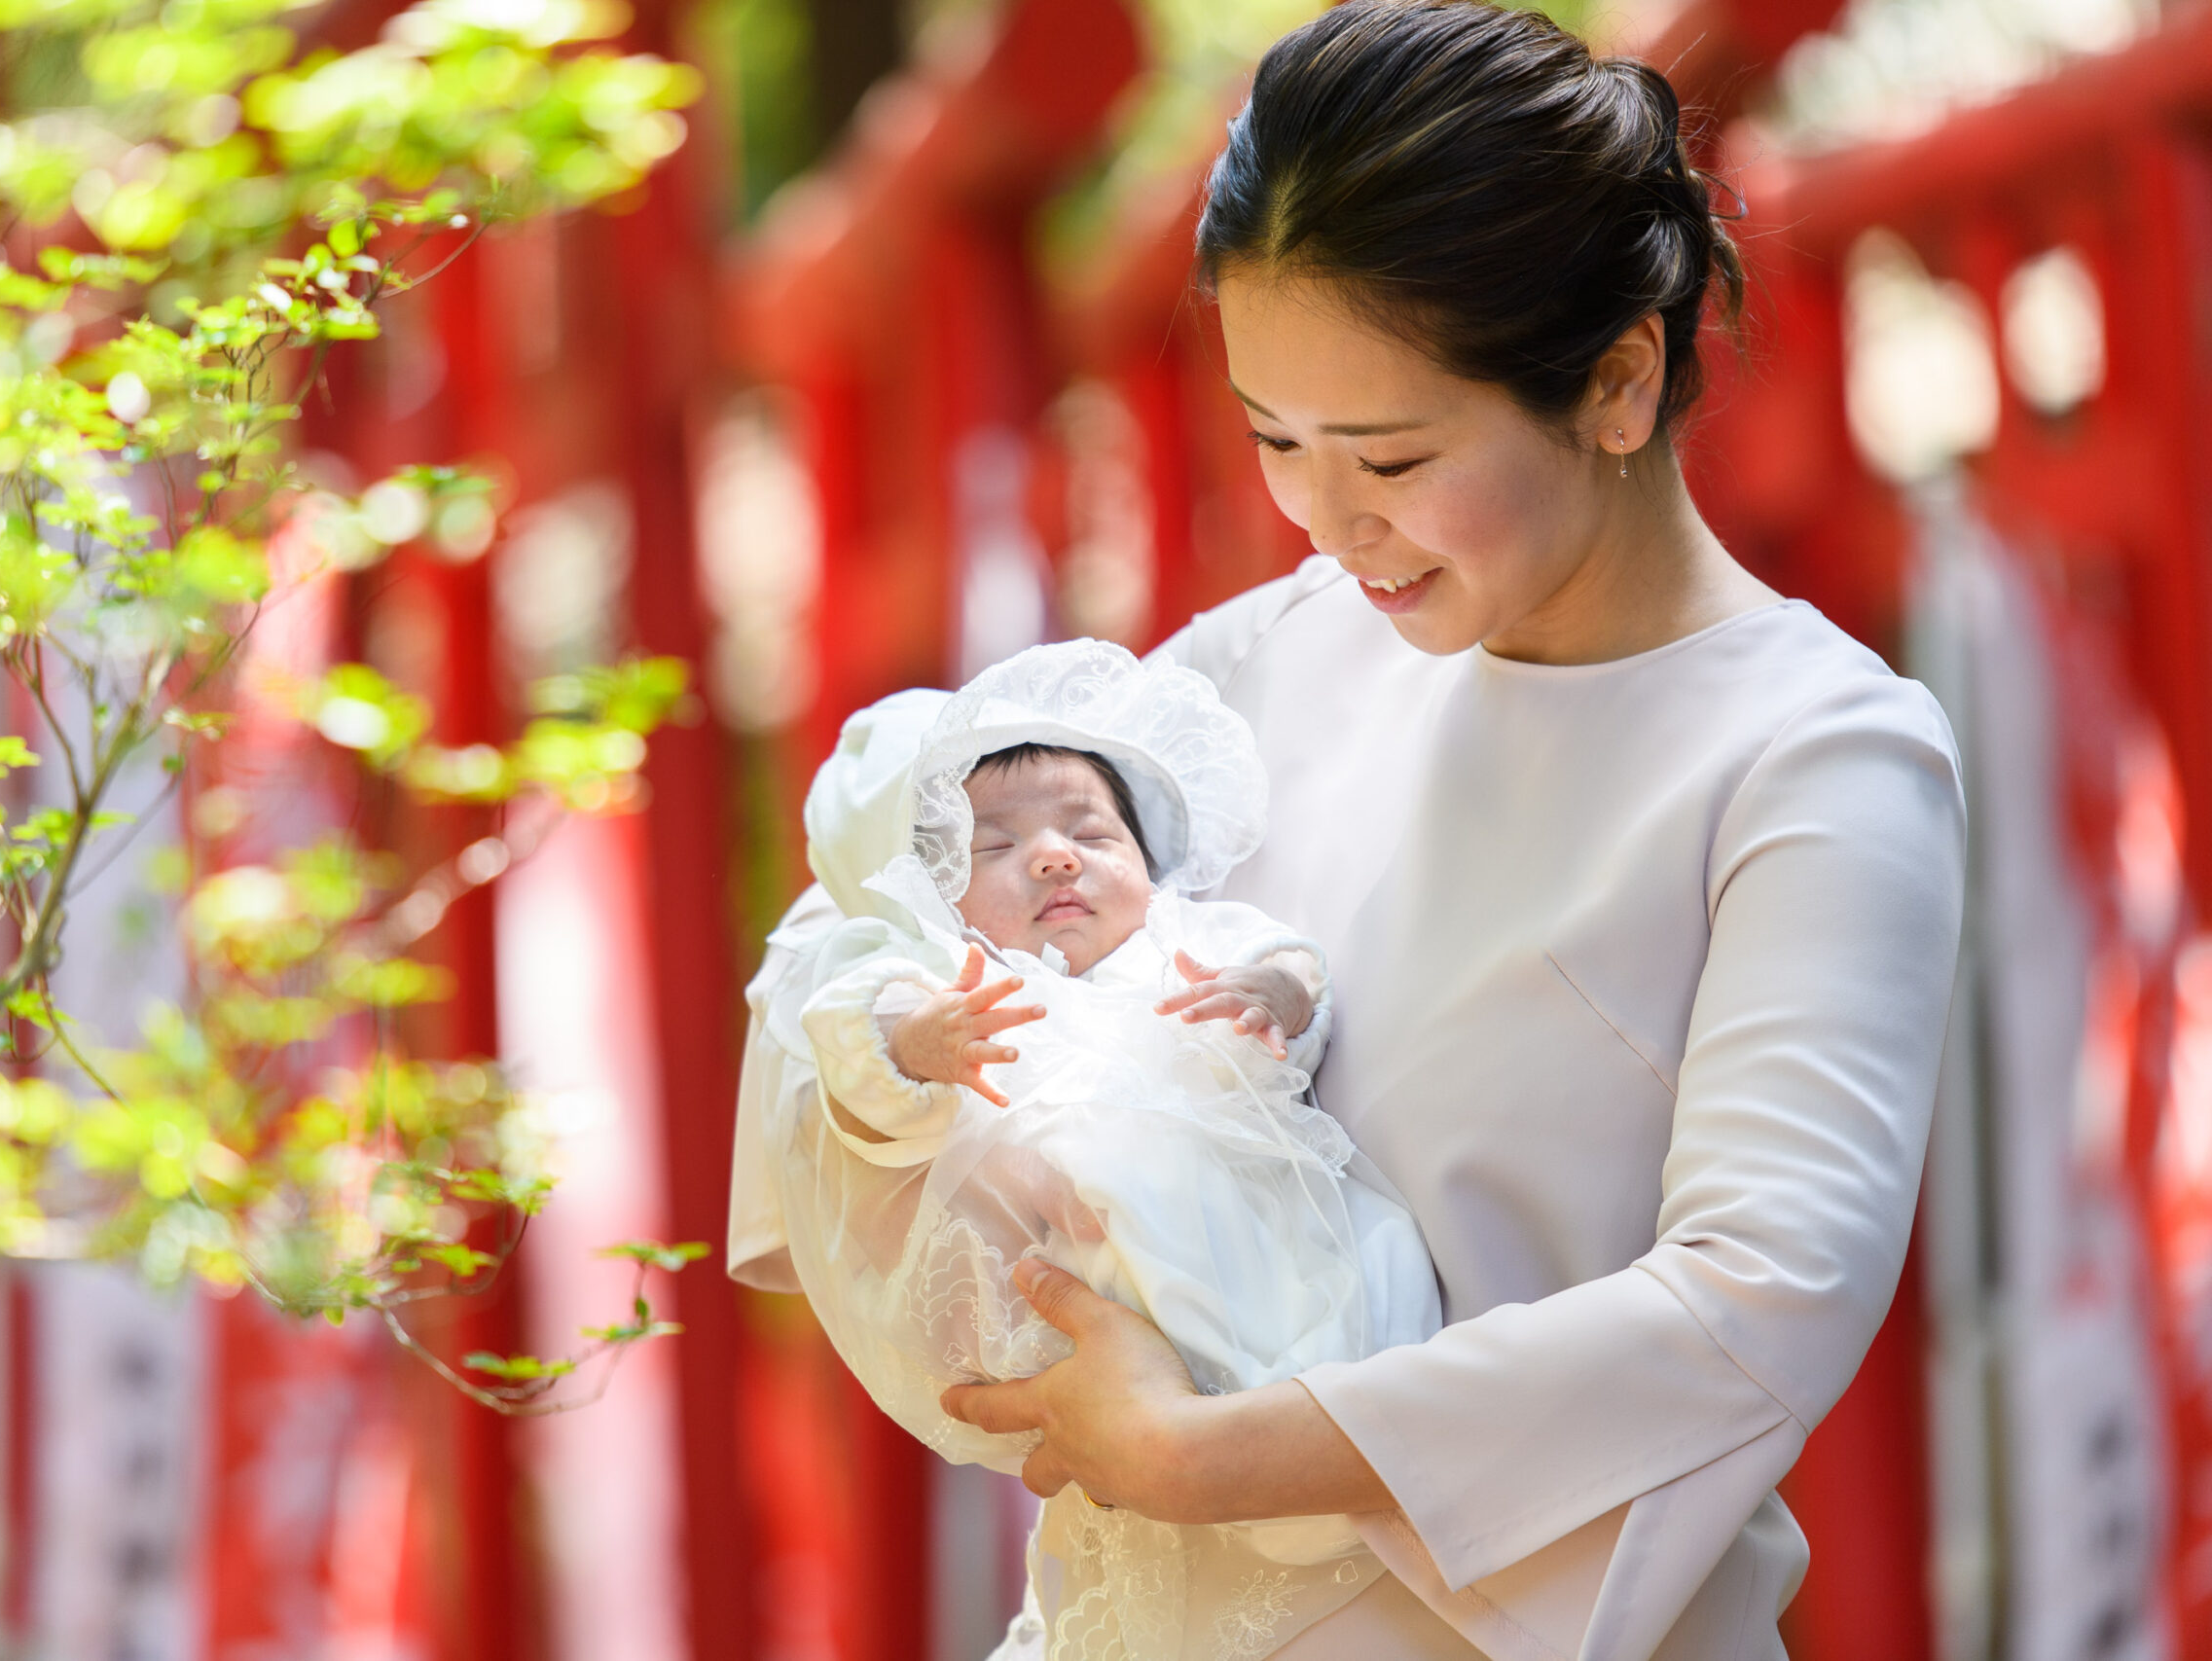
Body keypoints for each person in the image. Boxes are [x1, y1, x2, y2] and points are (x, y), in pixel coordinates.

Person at [732, 1, 1967, 1654]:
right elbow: (879, 927)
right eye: (1274, 442)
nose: (1323, 519)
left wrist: (1198, 1451)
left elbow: (1759, 1298)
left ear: (1618, 380)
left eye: (1390, 452)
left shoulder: (1815, 756)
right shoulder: (1244, 676)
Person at [749, 640, 1439, 1660]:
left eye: (1092, 833)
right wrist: (919, 1039)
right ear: (927, 893)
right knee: (1157, 1299)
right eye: (995, 847)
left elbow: (1292, 963)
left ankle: (1324, 1443)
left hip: (1276, 1206)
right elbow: (853, 1028)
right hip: (1108, 1250)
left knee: (1381, 1269)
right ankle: (1253, 1458)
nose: (1058, 856)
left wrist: (1279, 996)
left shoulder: (1179, 940)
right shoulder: (956, 977)